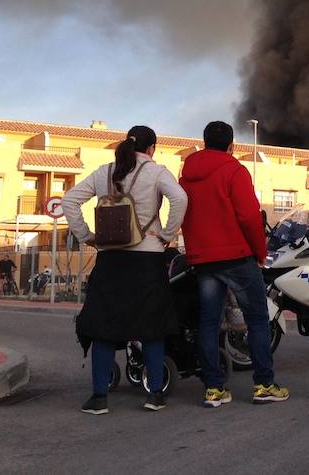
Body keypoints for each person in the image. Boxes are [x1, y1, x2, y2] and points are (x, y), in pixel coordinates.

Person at [62, 125, 187, 414]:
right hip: (147, 260)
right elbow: (180, 199)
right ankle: (155, 394)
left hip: (110, 260)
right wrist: (168, 233)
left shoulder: (105, 171)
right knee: (152, 328)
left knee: (104, 328)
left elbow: (70, 201)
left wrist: (87, 236)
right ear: (152, 148)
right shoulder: (156, 172)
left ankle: (98, 398)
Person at [179, 121, 289, 408]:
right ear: (232, 146)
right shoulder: (234, 170)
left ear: (204, 142)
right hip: (237, 257)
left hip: (203, 259)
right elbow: (250, 216)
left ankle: (214, 389)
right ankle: (264, 384)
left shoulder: (187, 174)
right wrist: (260, 251)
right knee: (257, 318)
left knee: (208, 322)